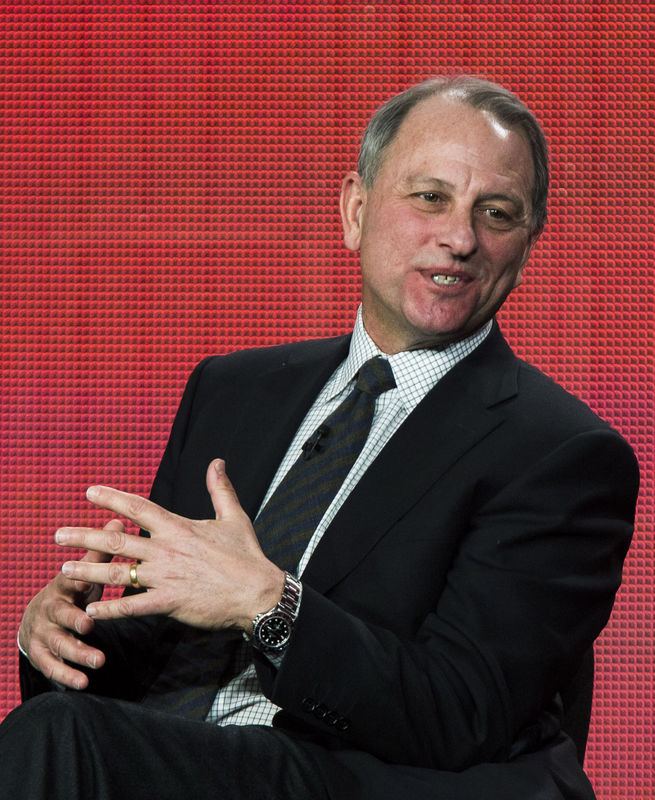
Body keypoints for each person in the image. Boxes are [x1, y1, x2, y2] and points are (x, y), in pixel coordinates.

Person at [0, 76, 639, 799]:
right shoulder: (233, 390)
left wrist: (269, 604)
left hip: (357, 775)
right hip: (180, 758)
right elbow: (160, 652)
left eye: (495, 213)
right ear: (355, 210)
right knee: (57, 724)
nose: (460, 238)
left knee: (60, 738)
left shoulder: (562, 455)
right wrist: (62, 637)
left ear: (525, 246)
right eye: (429, 197)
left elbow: (461, 710)